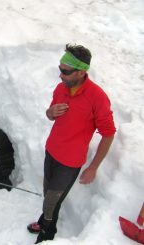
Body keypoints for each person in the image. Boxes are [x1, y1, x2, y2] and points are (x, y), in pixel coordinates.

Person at [27, 44, 116, 243]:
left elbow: (108, 134)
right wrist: (50, 112)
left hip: (70, 163)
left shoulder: (97, 98)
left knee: (52, 202)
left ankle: (47, 235)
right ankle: (44, 222)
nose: (60, 75)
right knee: (47, 195)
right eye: (60, 69)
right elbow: (50, 114)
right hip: (51, 152)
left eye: (65, 71)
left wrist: (93, 167)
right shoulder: (61, 88)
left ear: (82, 71)